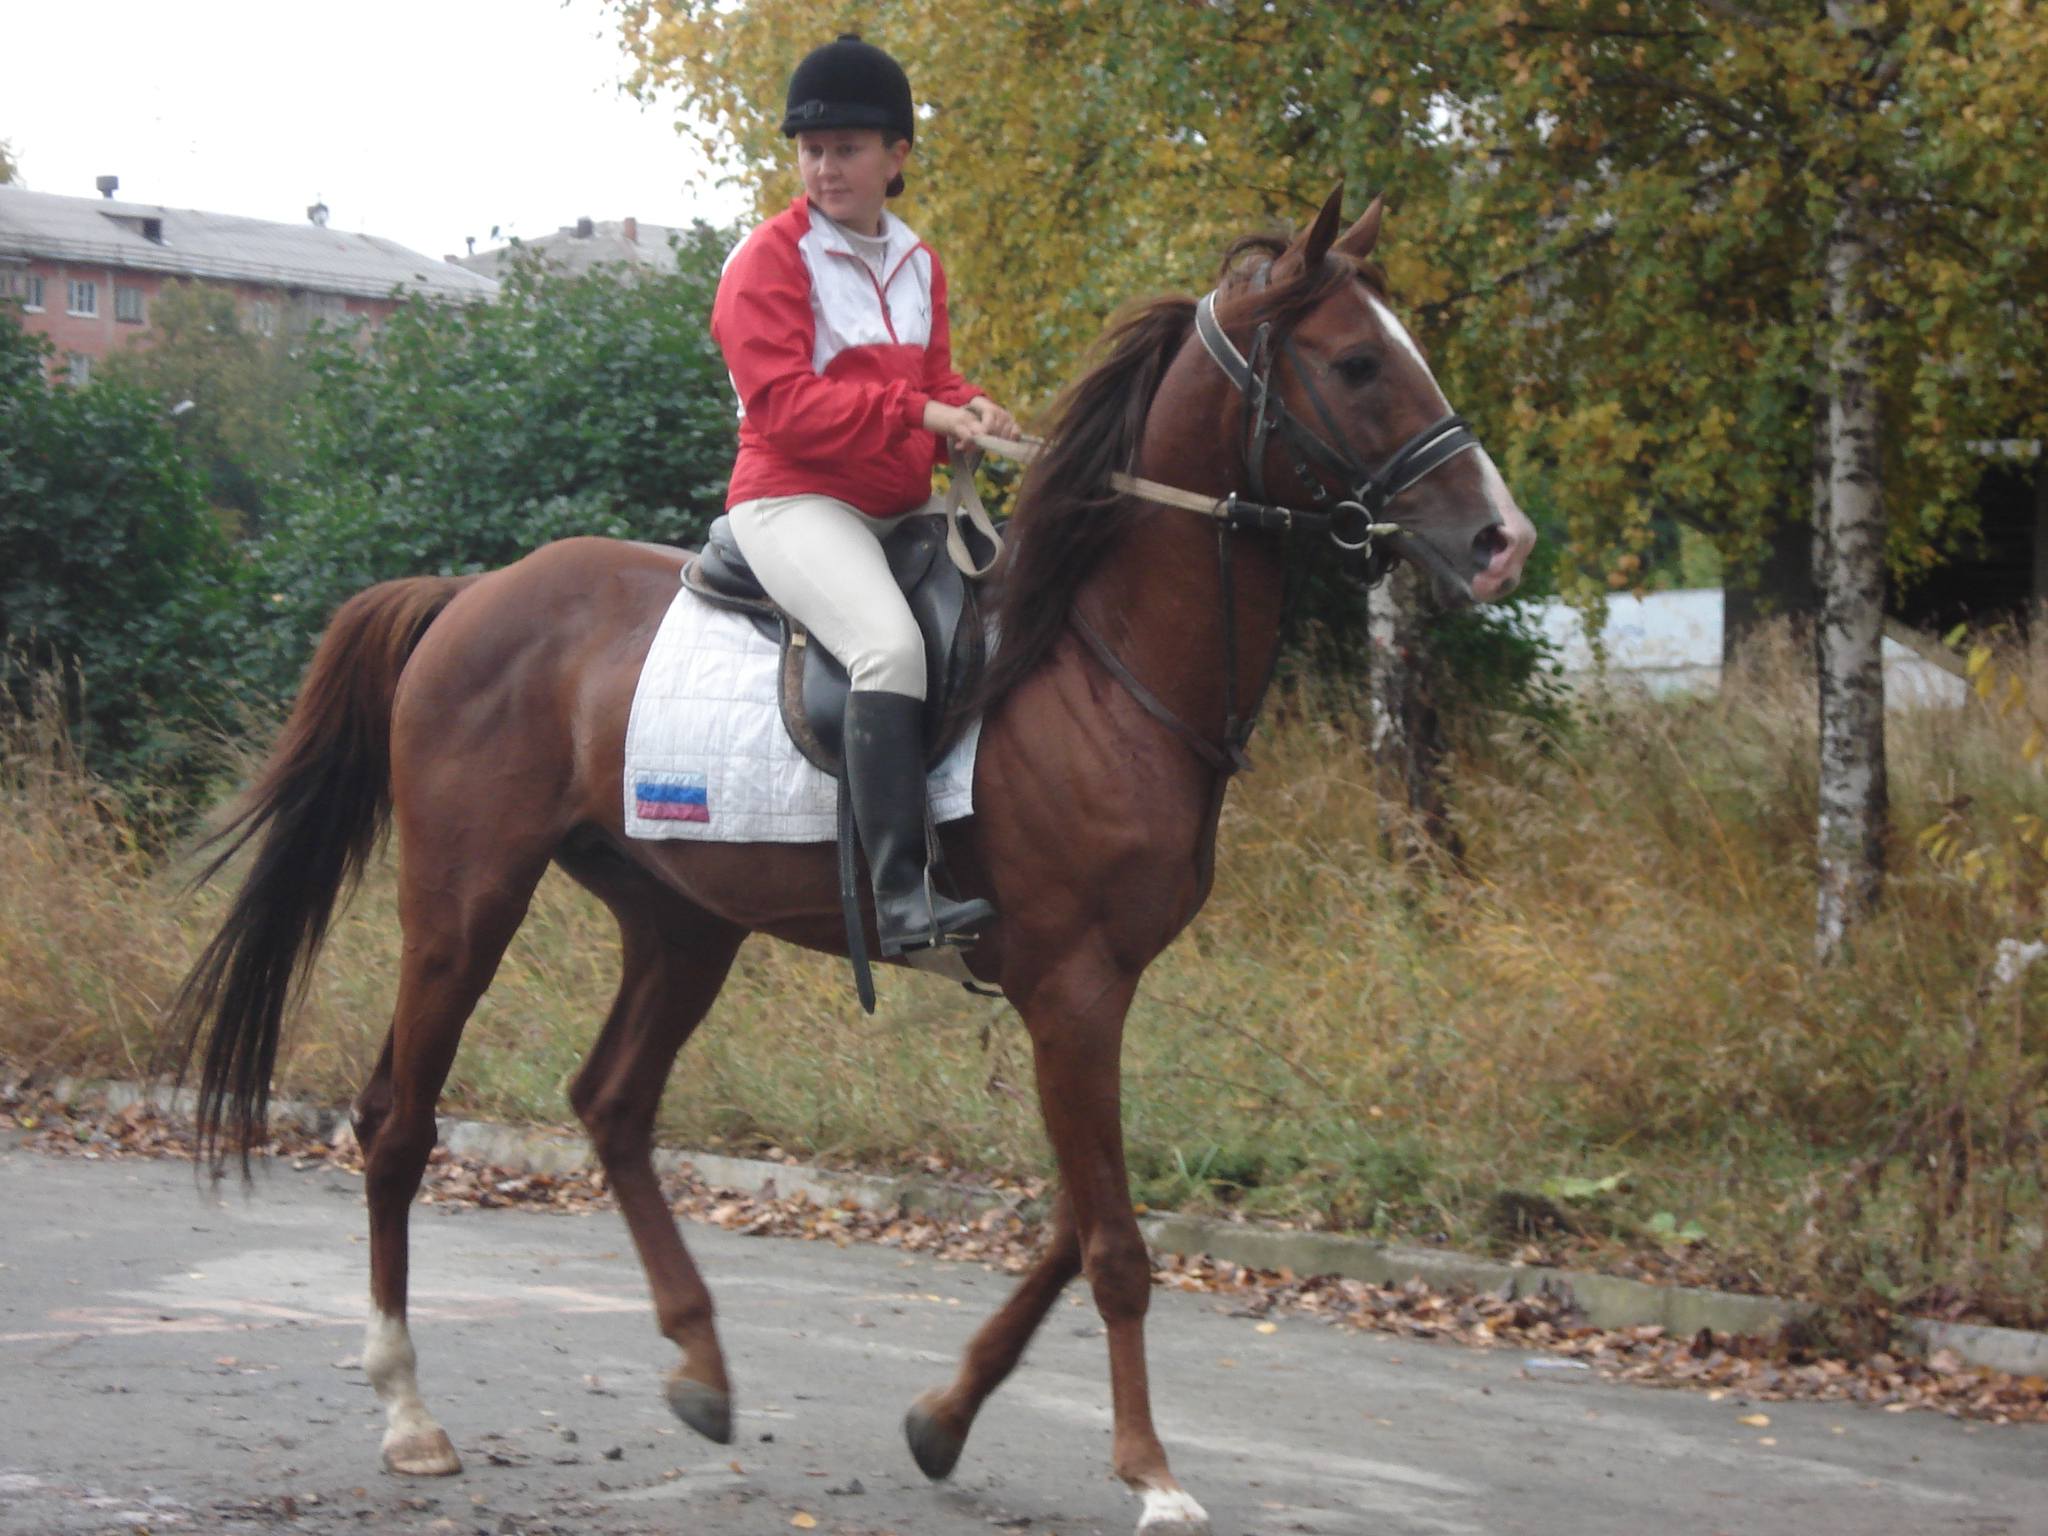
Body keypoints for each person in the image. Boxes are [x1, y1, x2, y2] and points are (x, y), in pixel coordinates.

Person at [710, 33, 1017, 958]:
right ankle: (901, 898)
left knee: (1012, 613)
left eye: (846, 148)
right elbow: (788, 409)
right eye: (811, 149)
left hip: (898, 502)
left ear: (897, 158)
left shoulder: (919, 262)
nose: (824, 166)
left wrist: (971, 408)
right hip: (793, 500)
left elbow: (930, 376)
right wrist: (925, 411)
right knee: (887, 649)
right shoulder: (766, 262)